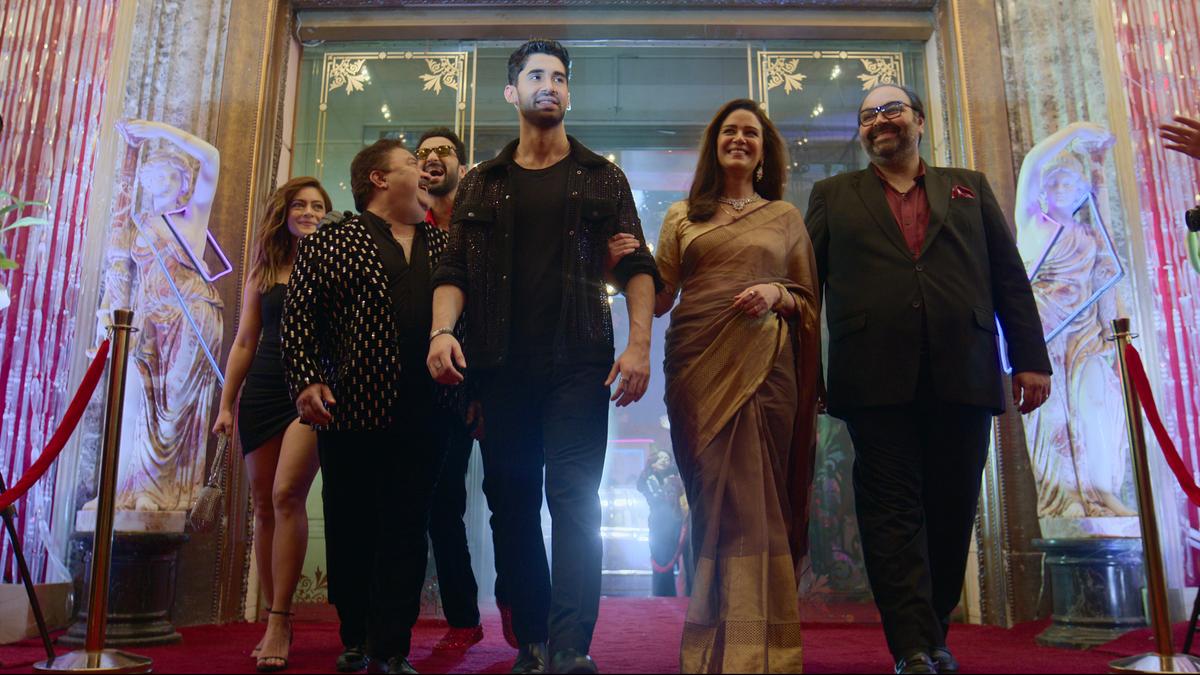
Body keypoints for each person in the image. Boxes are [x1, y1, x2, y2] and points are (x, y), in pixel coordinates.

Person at [427, 39, 660, 675]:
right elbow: (453, 271)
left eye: (558, 77)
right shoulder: (482, 183)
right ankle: (530, 639)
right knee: (512, 502)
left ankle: (571, 644)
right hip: (500, 369)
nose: (549, 85)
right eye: (536, 76)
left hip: (579, 364)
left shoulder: (601, 176)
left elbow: (637, 266)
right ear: (513, 92)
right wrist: (441, 332)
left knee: (576, 500)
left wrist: (639, 346)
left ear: (568, 93)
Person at [805, 84, 1052, 674]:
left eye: (892, 110)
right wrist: (808, 372)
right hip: (872, 380)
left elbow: (1009, 276)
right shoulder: (832, 195)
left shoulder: (969, 187)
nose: (880, 121)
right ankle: (912, 646)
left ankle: (933, 632)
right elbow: (807, 289)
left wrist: (1031, 357)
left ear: (919, 121)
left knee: (951, 508)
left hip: (963, 372)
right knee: (890, 514)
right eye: (868, 115)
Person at [651, 99, 819, 673]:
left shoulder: (785, 217)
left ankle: (760, 647)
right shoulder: (682, 216)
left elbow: (808, 300)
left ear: (764, 149)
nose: (740, 139)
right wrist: (620, 268)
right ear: (714, 144)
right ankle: (715, 642)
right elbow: (663, 296)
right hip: (697, 369)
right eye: (730, 131)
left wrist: (777, 293)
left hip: (767, 371)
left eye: (751, 132)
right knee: (715, 499)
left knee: (756, 500)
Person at [283, 138, 450, 675]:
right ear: (379, 179)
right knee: (352, 522)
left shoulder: (445, 246)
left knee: (408, 525)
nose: (425, 170)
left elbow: (466, 324)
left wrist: (473, 399)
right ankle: (355, 633)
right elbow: (298, 319)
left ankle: (392, 646)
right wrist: (307, 381)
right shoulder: (332, 240)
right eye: (411, 163)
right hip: (350, 407)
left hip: (427, 410)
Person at [213, 177, 330, 672]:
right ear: (284, 212)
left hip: (312, 392)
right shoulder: (264, 269)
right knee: (262, 506)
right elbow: (245, 340)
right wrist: (226, 404)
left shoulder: (334, 263)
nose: (309, 212)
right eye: (300, 204)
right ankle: (270, 616)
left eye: (318, 206)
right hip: (262, 389)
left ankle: (281, 618)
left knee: (286, 495)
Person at [1013, 122, 1132, 522]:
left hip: (1084, 330)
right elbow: (1033, 162)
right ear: (1042, 190)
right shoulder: (1034, 222)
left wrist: (1098, 166)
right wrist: (1076, 130)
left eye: (1070, 181)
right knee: (1054, 416)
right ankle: (1065, 497)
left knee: (1096, 406)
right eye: (1054, 181)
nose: (1061, 187)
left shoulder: (1087, 232)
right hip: (1044, 330)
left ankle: (1103, 491)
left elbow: (1106, 266)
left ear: (1082, 189)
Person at [414, 127, 491, 652]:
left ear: (461, 168)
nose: (432, 159)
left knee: (473, 497)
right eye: (423, 153)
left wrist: (479, 391)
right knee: (428, 501)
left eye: (443, 152)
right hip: (416, 386)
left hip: (475, 384)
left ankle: (484, 610)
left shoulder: (479, 231)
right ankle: (440, 614)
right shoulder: (407, 232)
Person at [635, 451, 686, 598]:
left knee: (674, 561)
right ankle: (660, 597)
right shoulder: (648, 479)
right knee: (661, 559)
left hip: (675, 524)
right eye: (661, 458)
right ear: (653, 463)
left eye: (667, 458)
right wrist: (669, 485)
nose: (665, 460)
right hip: (659, 526)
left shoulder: (674, 478)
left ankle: (674, 596)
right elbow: (657, 498)